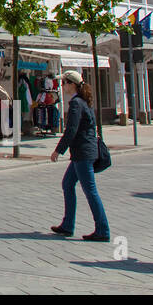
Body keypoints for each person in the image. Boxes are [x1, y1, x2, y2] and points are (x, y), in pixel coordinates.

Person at [49, 70, 109, 241]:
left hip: (83, 153)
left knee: (90, 190)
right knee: (67, 184)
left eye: (64, 83)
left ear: (72, 84)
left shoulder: (76, 104)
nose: (62, 86)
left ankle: (102, 229)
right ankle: (67, 225)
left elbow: (72, 130)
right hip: (84, 152)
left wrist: (58, 150)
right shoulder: (83, 102)